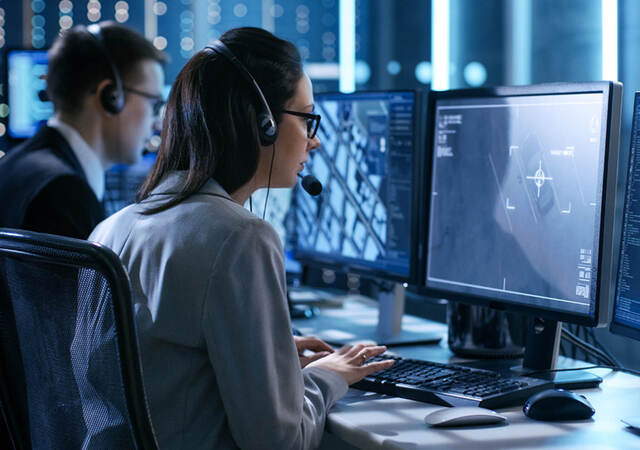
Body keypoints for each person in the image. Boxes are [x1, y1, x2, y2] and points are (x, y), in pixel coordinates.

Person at [87, 27, 394, 449]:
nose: (315, 140)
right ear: (262, 124)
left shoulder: (110, 229)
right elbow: (281, 440)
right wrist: (328, 375)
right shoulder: (240, 237)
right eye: (306, 119)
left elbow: (162, 365)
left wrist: (270, 355)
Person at [0, 21, 167, 239]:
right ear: (111, 96)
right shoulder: (64, 195)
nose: (156, 124)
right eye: (154, 104)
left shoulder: (16, 166)